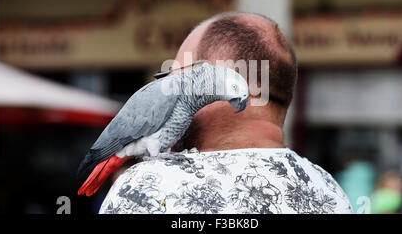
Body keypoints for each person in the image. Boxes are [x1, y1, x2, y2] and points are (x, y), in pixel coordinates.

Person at [99, 12, 353, 214]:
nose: (169, 88)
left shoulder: (146, 186)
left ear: (246, 85)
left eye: (180, 74)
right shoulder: (330, 191)